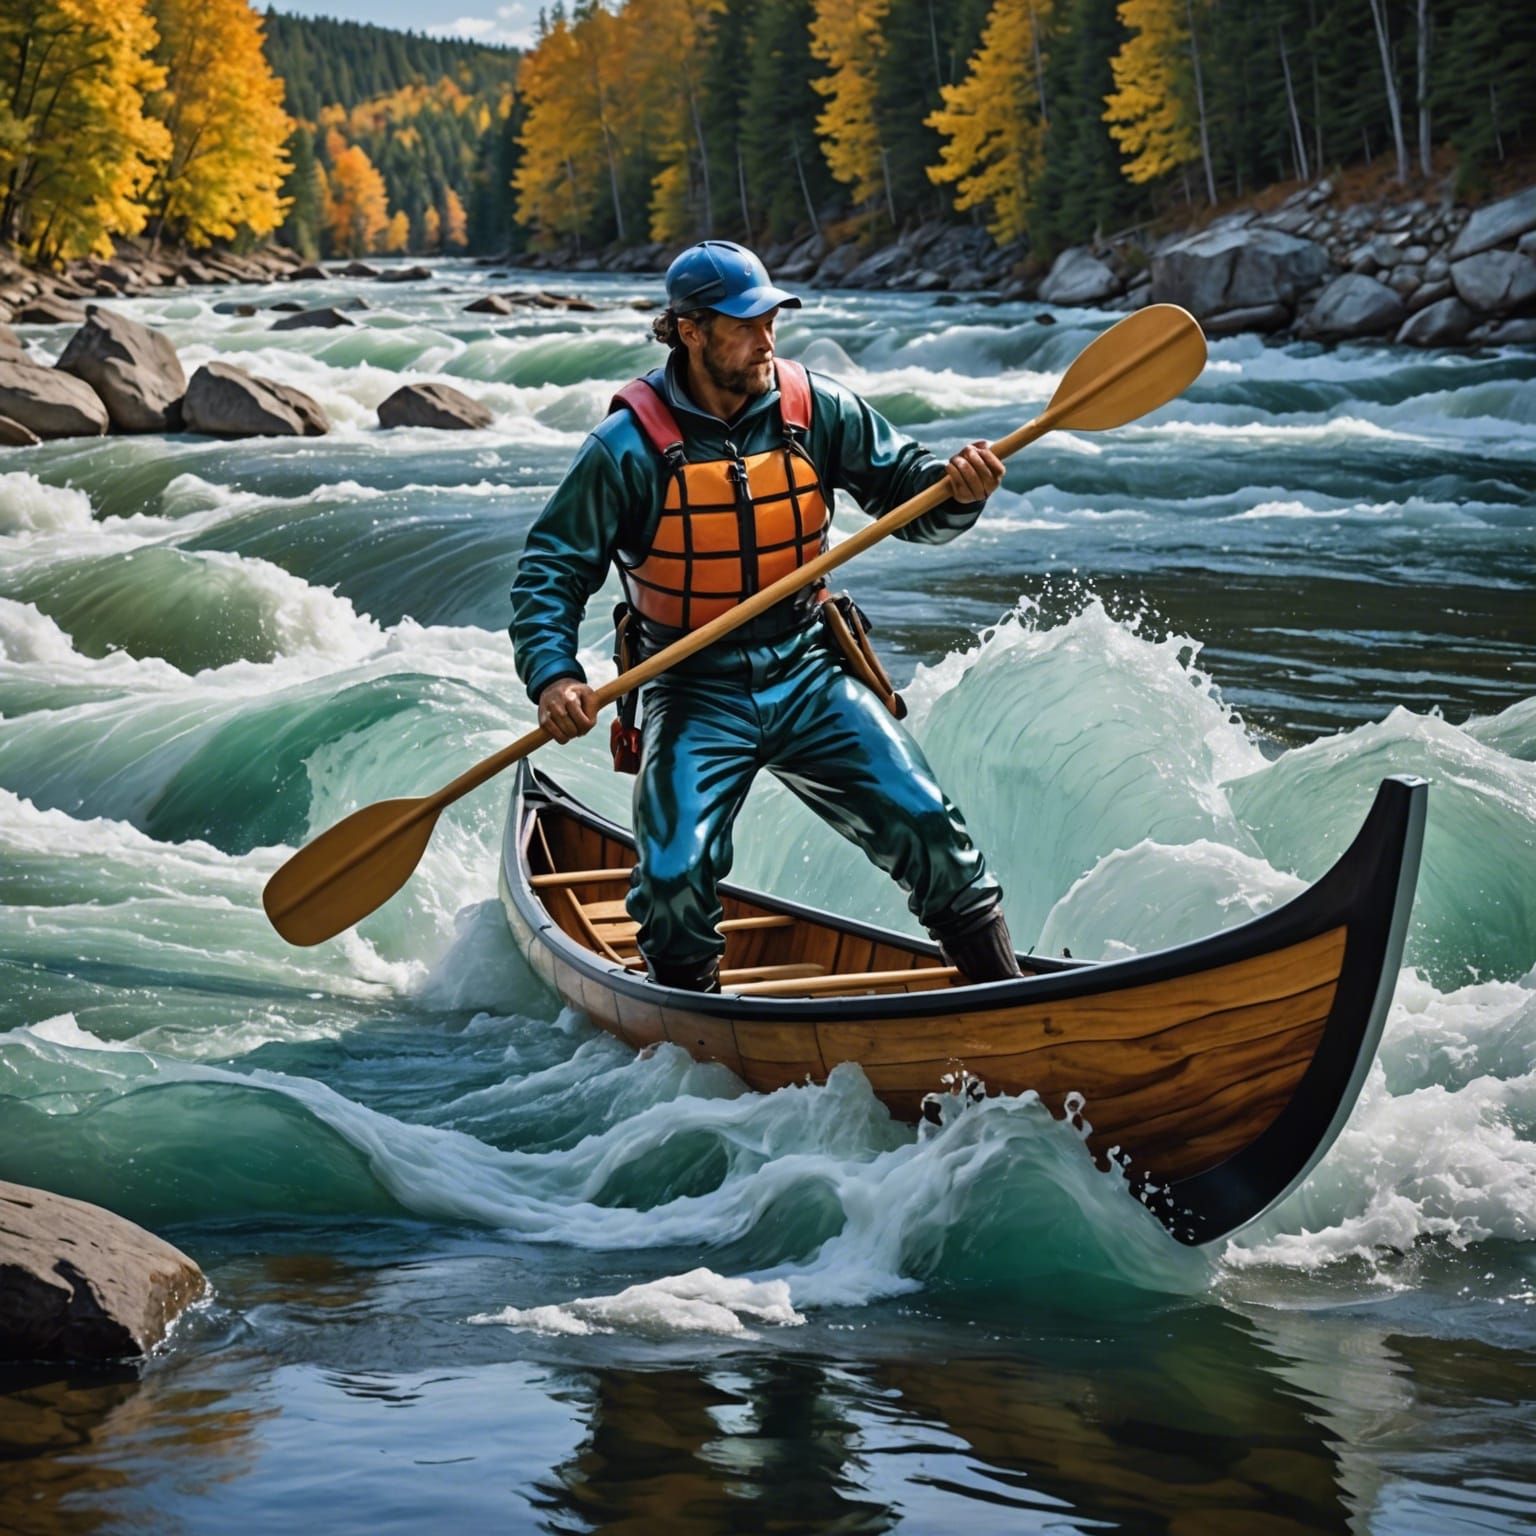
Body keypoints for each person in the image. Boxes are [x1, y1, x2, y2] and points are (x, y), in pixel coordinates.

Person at [510, 239, 1022, 994]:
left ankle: (1003, 1000)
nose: (766, 338)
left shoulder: (815, 408)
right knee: (674, 877)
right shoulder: (625, 448)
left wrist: (961, 490)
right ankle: (692, 1030)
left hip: (809, 669)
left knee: (929, 828)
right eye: (746, 323)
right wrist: (554, 676)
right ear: (689, 330)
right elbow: (550, 571)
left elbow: (910, 496)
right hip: (693, 687)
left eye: (772, 319)